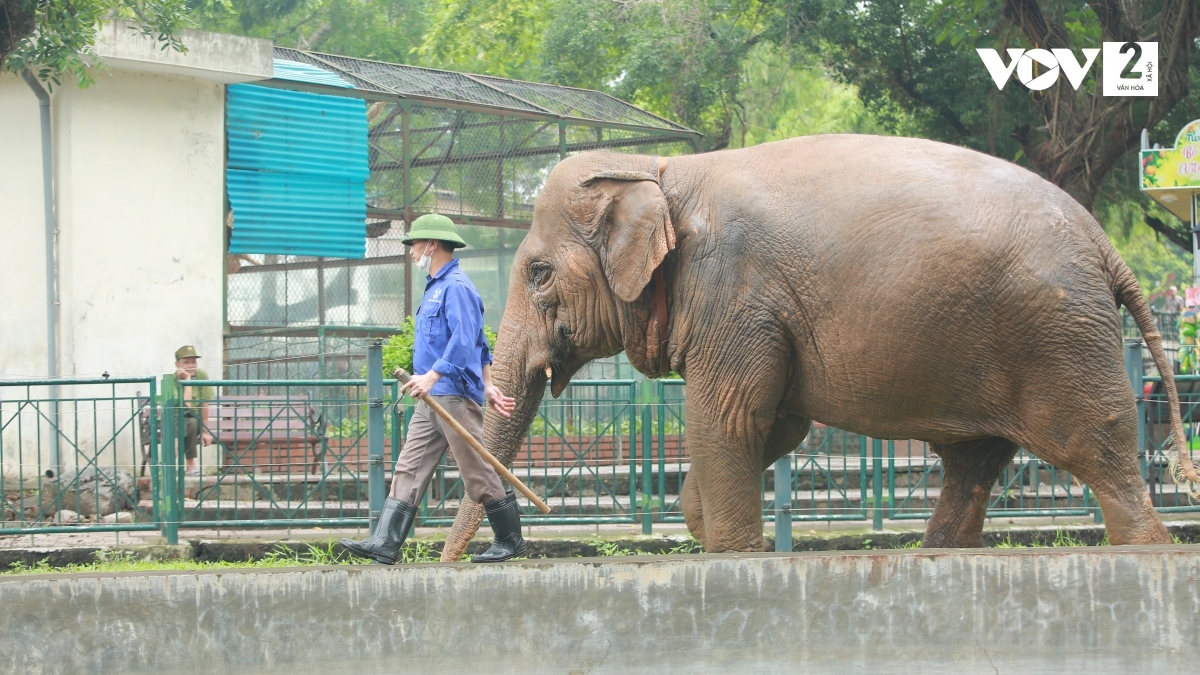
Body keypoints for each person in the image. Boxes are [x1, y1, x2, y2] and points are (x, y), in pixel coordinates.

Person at [341, 213, 524, 564]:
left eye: (413, 244)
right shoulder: (435, 286)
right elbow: (482, 344)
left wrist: (435, 375)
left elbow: (468, 338)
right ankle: (386, 541)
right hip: (430, 397)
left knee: (478, 470)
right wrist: (487, 384)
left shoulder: (457, 287)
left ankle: (510, 539)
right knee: (409, 467)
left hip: (451, 393)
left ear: (432, 244)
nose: (411, 251)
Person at [173, 345, 214, 476]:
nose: (191, 366)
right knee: (187, 421)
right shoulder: (173, 379)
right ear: (177, 364)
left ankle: (188, 465)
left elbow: (204, 404)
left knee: (192, 422)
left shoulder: (201, 375)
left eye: (193, 362)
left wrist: (205, 431)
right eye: (186, 363)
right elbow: (185, 406)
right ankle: (187, 465)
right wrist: (187, 381)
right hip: (174, 419)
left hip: (192, 420)